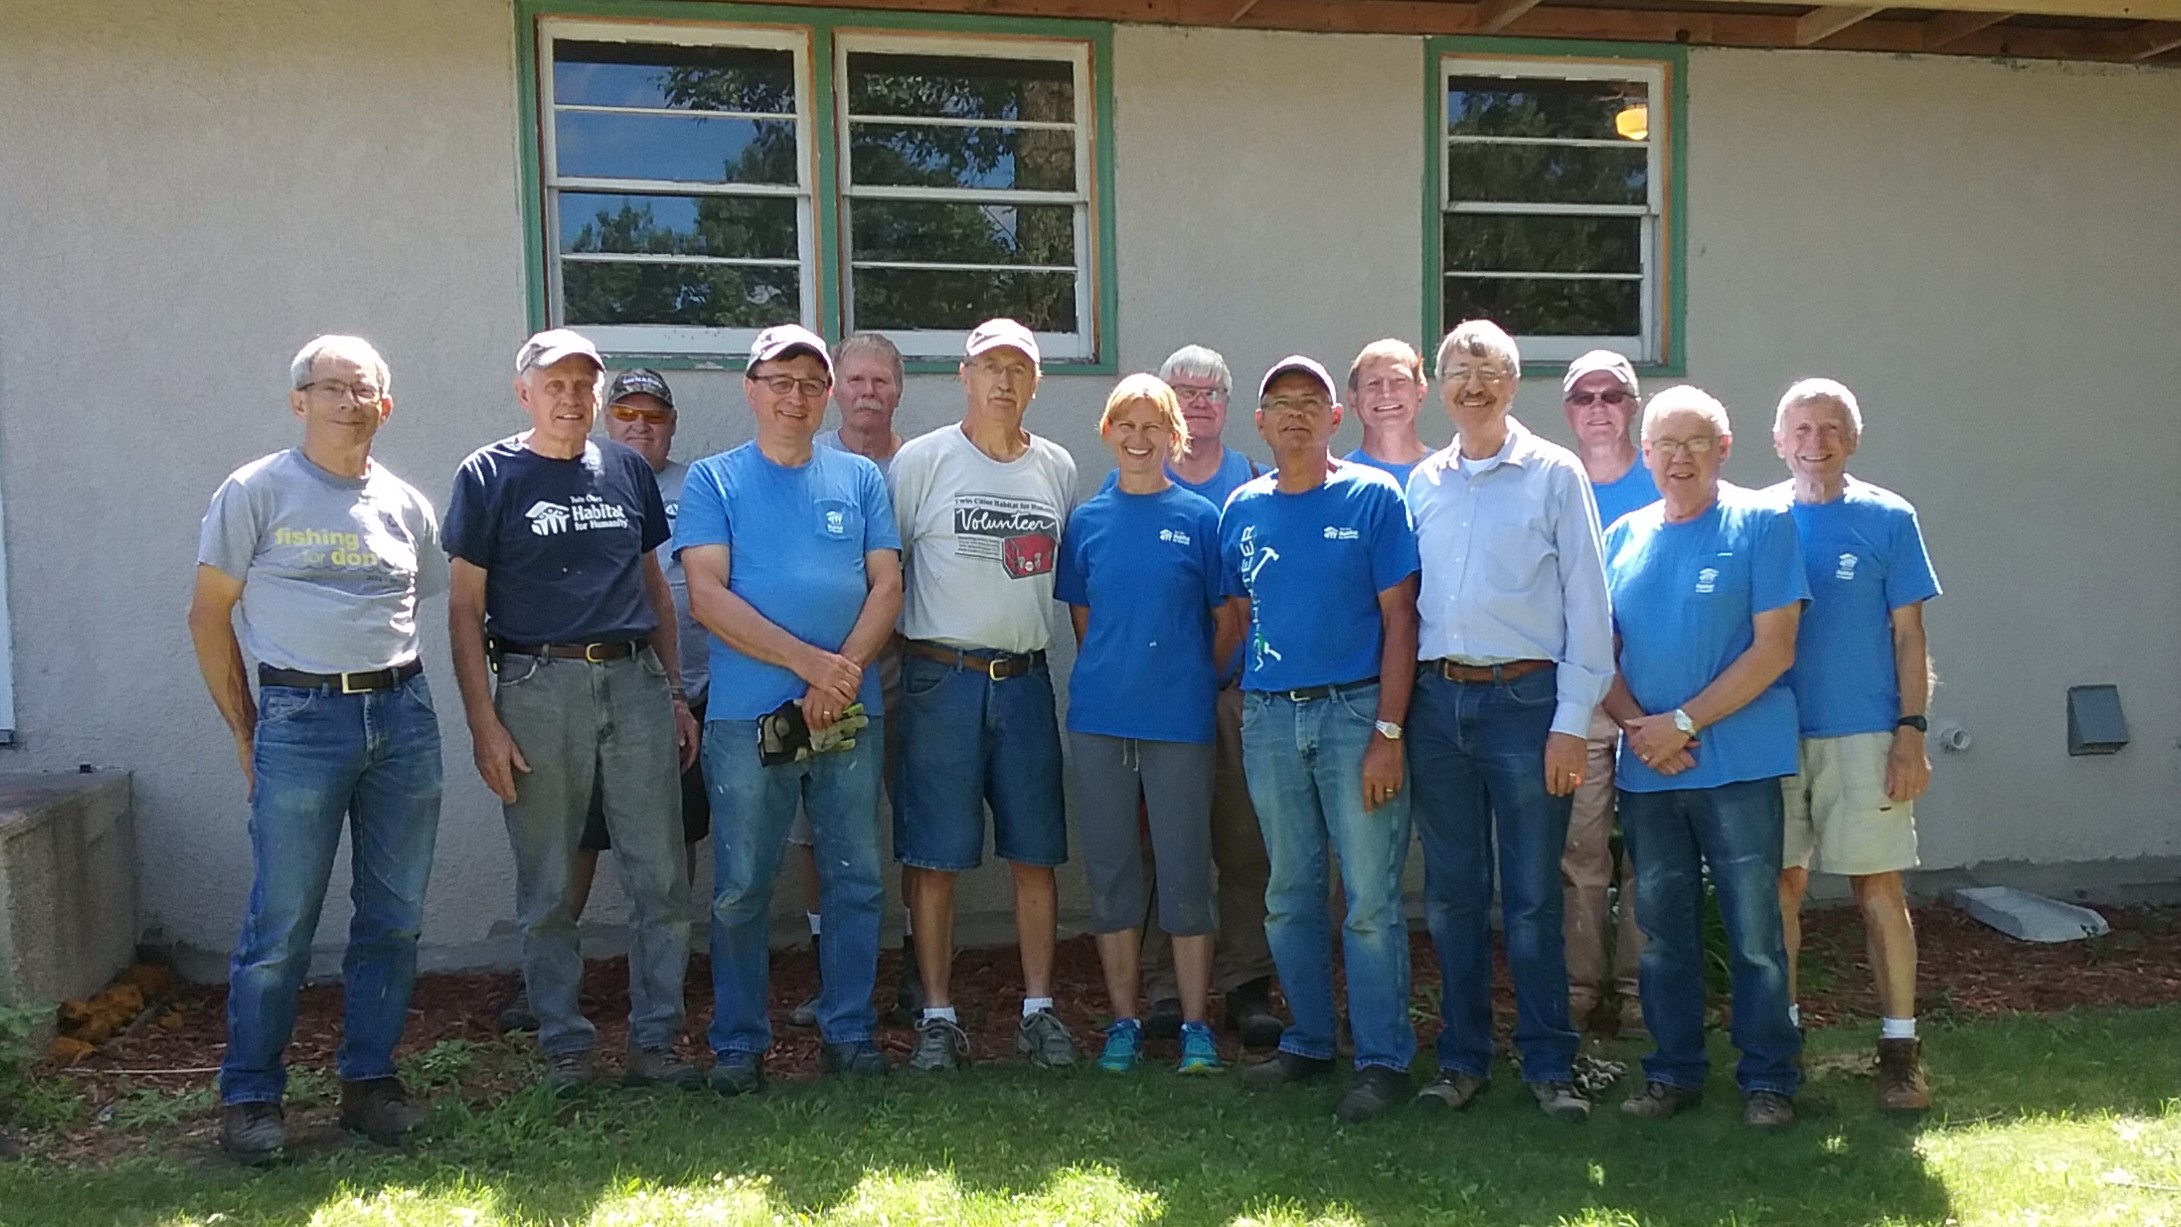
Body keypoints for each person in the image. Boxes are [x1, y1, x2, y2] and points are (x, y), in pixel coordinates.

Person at [190, 335, 445, 1161]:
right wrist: (244, 728)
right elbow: (207, 615)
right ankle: (252, 1095)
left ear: (385, 404)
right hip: (300, 715)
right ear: (298, 400)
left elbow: (425, 605)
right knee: (283, 919)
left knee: (393, 919)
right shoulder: (255, 492)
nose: (346, 402)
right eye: (328, 387)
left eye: (361, 389)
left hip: (402, 714)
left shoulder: (406, 504)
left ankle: (370, 1081)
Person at [446, 328, 698, 1095]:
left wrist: (674, 690)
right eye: (554, 383)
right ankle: (564, 1042)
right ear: (524, 391)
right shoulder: (489, 475)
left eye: (583, 383)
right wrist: (483, 721)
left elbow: (654, 587)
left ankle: (656, 1038)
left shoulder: (625, 468)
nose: (570, 396)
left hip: (634, 682)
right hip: (536, 684)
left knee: (660, 873)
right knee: (549, 880)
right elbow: (463, 608)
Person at [678, 325, 903, 1092]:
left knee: (855, 875)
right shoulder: (714, 481)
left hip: (845, 713)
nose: (795, 396)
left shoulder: (861, 480)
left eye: (811, 382)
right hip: (749, 717)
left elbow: (887, 587)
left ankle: (848, 1030)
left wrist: (838, 680)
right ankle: (739, 1044)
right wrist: (811, 665)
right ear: (752, 389)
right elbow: (706, 595)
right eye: (780, 380)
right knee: (743, 882)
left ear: (827, 393)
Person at [1404, 321, 1614, 1121]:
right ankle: (1460, 1058)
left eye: (1487, 370)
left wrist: (1570, 722)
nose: (1472, 384)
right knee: (1454, 895)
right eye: (1457, 370)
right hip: (1438, 705)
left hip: (1527, 708)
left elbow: (1588, 611)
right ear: (1440, 386)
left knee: (1531, 895)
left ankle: (1548, 1062)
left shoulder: (1555, 475)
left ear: (1512, 382)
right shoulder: (1423, 481)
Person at [1600, 385, 1806, 1131]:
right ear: (1645, 452)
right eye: (1664, 443)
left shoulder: (1762, 523)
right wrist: (1637, 726)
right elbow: (1601, 653)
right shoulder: (1622, 535)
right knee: (1660, 934)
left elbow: (1774, 647)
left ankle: (1768, 1078)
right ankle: (1672, 1071)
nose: (1678, 457)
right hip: (1648, 771)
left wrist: (1681, 722)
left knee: (1754, 935)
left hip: (1736, 766)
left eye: (1694, 443)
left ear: (1723, 449)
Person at [1225, 355, 1421, 1123]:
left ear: (1336, 416)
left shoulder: (1373, 497)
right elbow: (1240, 614)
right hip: (1271, 717)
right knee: (1288, 892)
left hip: (1355, 713)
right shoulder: (1240, 508)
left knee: (1369, 898)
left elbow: (1401, 619)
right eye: (1281, 403)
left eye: (1311, 402)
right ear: (1261, 422)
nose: (1296, 415)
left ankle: (1381, 1056)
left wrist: (1388, 731)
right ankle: (1308, 1040)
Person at [888, 318, 1082, 1070]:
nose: (1003, 381)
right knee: (934, 854)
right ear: (962, 376)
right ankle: (937, 1014)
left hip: (1025, 680)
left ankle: (1039, 1010)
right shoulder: (923, 461)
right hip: (942, 678)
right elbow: (886, 569)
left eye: (1019, 368)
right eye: (989, 366)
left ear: (1036, 382)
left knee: (1035, 851)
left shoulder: (1057, 468)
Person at [494, 368, 708, 1035]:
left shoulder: (691, 484)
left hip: (676, 690)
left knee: (672, 845)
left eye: (654, 414)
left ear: (672, 423)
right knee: (570, 845)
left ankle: (667, 990)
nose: (640, 423)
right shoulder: (527, 476)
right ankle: (551, 996)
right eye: (627, 412)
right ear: (606, 416)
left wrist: (676, 691)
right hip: (566, 694)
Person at [1767, 378, 1941, 1113]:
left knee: (1876, 887)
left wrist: (1912, 731)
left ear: (1852, 439)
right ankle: (1781, 1044)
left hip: (1867, 733)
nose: (1816, 442)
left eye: (1830, 428)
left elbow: (1909, 634)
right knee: (1781, 887)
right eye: (1801, 429)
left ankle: (1899, 1050)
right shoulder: (1755, 519)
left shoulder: (1887, 517)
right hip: (1771, 733)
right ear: (1778, 441)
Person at [1057, 374, 1239, 1075]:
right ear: (1107, 432)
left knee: (1187, 869)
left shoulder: (1199, 518)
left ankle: (1195, 1023)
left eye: (1153, 427)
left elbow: (1228, 622)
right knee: (1110, 873)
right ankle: (1124, 1020)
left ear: (1174, 437)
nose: (1138, 439)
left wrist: (1194, 673)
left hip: (1179, 719)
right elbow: (1085, 621)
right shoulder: (1086, 522)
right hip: (1101, 720)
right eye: (1125, 426)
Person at [1139, 344, 1283, 1048]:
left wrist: (1208, 671)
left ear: (1229, 406)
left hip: (1233, 693)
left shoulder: (1253, 483)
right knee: (1167, 846)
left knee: (1242, 843)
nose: (1197, 403)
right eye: (1183, 391)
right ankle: (1166, 985)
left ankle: (1246, 983)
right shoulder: (1141, 479)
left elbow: (1255, 599)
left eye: (1211, 391)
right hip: (1157, 703)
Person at [782, 331, 922, 1027]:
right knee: (820, 831)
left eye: (882, 381)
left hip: (906, 670)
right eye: (857, 380)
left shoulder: (921, 464)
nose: (869, 392)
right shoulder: (808, 458)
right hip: (818, 678)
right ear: (836, 387)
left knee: (915, 818)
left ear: (900, 389)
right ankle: (829, 967)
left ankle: (915, 969)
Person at [1559, 349, 1658, 1035]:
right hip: (1582, 700)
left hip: (1654, 700)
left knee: (1648, 854)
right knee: (1580, 854)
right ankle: (1576, 987)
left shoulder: (1665, 480)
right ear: (1567, 411)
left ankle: (1639, 992)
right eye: (1584, 397)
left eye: (1612, 395)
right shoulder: (1556, 485)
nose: (1598, 408)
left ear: (1633, 405)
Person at [1340, 339, 1433, 491]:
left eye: (1399, 380)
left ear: (1420, 393)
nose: (1386, 393)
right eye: (1373, 383)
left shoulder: (1446, 478)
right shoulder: (1339, 484)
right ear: (1352, 400)